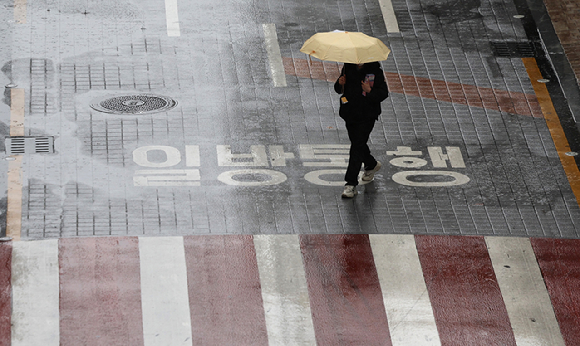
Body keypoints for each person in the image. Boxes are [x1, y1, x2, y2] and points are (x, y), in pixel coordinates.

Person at [334, 62, 389, 198]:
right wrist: (339, 83)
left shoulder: (375, 71)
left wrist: (370, 91)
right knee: (358, 144)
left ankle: (350, 184)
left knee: (357, 147)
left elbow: (383, 93)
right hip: (350, 113)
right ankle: (371, 164)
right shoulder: (348, 67)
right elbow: (339, 89)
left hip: (367, 115)